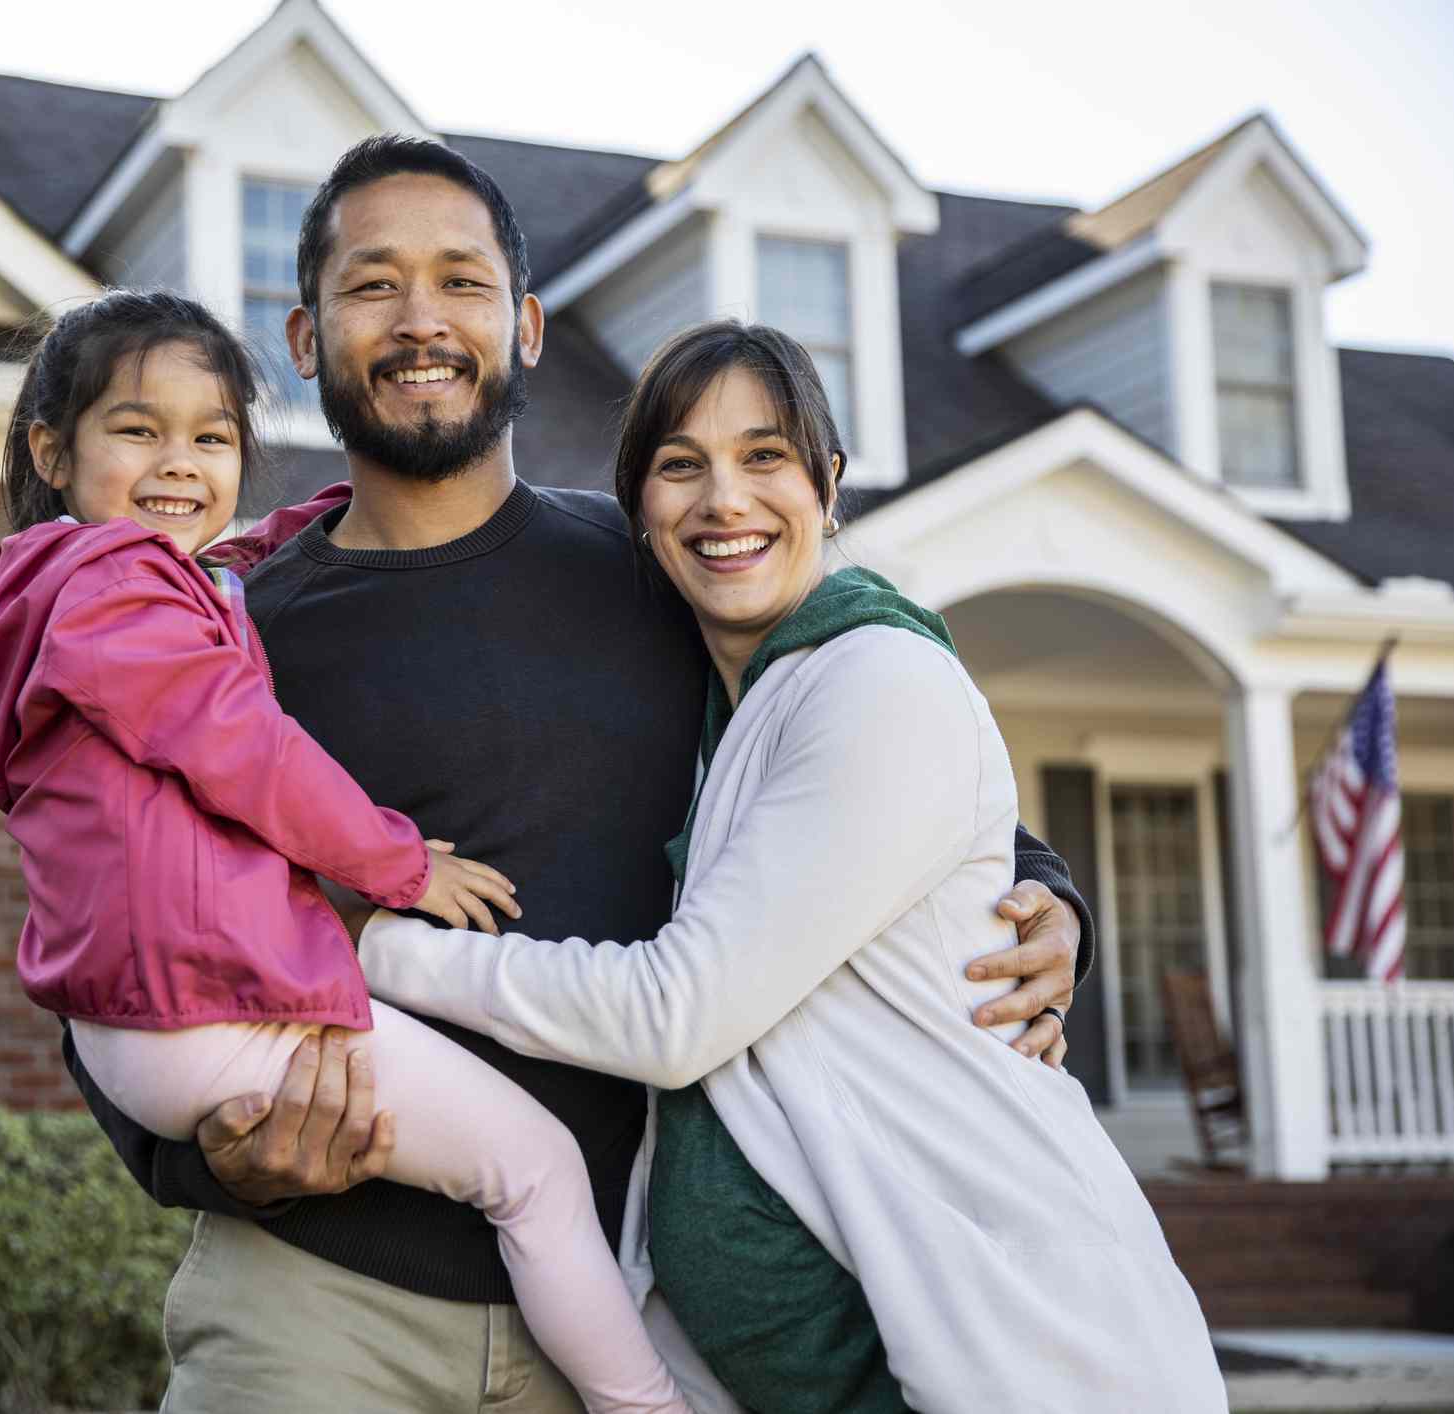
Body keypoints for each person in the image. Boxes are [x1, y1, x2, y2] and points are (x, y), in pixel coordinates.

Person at [62, 137, 1097, 1413]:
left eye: (463, 281)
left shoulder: (664, 560)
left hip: (626, 1311)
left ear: (529, 324)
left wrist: (1046, 896)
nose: (422, 319)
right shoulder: (227, 633)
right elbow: (97, 924)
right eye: (374, 285)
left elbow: (876, 732)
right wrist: (218, 1165)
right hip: (316, 1300)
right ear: (304, 336)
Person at [342, 320, 1227, 1411]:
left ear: (829, 481)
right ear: (640, 510)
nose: (725, 500)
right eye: (681, 465)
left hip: (1009, 1344)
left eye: (765, 456)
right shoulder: (721, 695)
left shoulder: (879, 678)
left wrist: (373, 949)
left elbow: (679, 1014)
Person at [0, 288, 688, 1413]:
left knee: (529, 1177)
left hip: (153, 1020)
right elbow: (246, 747)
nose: (177, 460)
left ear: (525, 319)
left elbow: (814, 719)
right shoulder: (122, 599)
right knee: (535, 1173)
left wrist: (1036, 881)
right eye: (138, 429)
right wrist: (401, 863)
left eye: (212, 435)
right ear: (53, 448)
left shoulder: (104, 594)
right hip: (226, 1052)